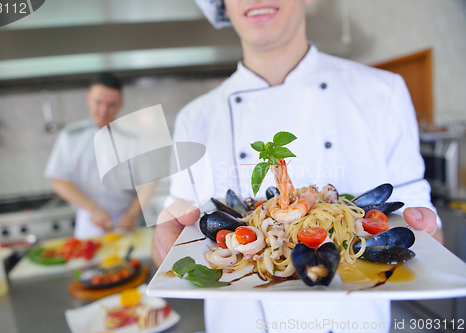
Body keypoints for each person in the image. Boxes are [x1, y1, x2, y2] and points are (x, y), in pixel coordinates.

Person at [152, 0, 443, 332]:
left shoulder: (384, 92)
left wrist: (429, 233)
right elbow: (173, 235)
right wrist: (164, 242)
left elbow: (429, 233)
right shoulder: (195, 119)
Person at [45, 73, 144, 239]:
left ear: (121, 104)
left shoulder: (132, 139)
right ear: (88, 99)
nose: (103, 111)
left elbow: (148, 183)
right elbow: (58, 180)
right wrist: (93, 209)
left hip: (128, 222)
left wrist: (132, 213)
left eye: (111, 105)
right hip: (89, 221)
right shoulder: (71, 136)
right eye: (98, 102)